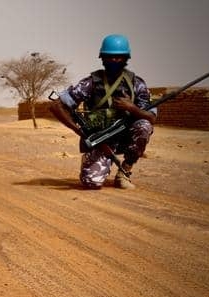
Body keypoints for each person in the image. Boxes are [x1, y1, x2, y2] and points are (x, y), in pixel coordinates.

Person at [50, 34, 157, 189]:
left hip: (127, 134)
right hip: (102, 139)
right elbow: (56, 106)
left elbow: (151, 117)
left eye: (119, 57)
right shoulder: (91, 82)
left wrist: (132, 108)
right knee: (91, 183)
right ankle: (90, 159)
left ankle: (124, 172)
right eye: (110, 57)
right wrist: (80, 131)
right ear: (102, 57)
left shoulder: (136, 83)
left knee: (144, 125)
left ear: (126, 58)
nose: (114, 60)